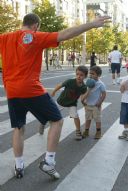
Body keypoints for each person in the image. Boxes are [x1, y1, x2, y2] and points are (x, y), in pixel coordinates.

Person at [0, 13, 110, 179]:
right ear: (36, 25)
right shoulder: (35, 36)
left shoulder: (5, 38)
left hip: (12, 91)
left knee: (18, 128)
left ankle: (19, 165)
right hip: (31, 89)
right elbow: (65, 34)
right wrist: (92, 24)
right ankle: (49, 162)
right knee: (57, 121)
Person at [51, 66, 88, 140]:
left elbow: (82, 97)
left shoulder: (84, 87)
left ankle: (78, 132)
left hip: (72, 104)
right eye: (77, 74)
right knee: (51, 114)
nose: (79, 76)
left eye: (81, 75)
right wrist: (54, 91)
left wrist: (84, 103)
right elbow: (60, 85)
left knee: (76, 116)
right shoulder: (70, 81)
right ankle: (43, 123)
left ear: (85, 76)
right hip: (61, 101)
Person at [81, 66, 106, 139]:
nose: (90, 75)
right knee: (87, 118)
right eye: (90, 73)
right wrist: (84, 100)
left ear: (98, 75)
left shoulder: (100, 84)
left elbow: (104, 94)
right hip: (88, 104)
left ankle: (98, 132)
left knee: (97, 119)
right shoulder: (88, 82)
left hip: (96, 105)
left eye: (93, 74)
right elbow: (85, 92)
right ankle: (86, 131)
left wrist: (100, 102)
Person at [118, 59, 128, 141]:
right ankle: (125, 131)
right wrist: (123, 85)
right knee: (124, 116)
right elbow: (121, 91)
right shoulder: (124, 78)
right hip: (124, 101)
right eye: (127, 68)